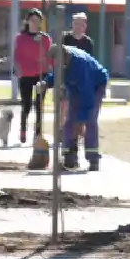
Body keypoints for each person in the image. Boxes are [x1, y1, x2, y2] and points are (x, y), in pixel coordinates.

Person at [38, 44, 109, 171]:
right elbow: (56, 75)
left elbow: (87, 96)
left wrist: (80, 121)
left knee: (89, 120)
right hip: (76, 86)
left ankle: (93, 159)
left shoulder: (81, 65)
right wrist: (45, 82)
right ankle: (69, 157)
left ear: (64, 57)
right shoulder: (61, 60)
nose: (55, 63)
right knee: (70, 121)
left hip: (95, 85)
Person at [14, 9, 53, 143]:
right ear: (27, 21)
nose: (35, 23)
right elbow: (17, 56)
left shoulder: (45, 38)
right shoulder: (20, 38)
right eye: (32, 20)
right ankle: (23, 130)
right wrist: (18, 69)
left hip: (40, 75)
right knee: (26, 105)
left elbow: (49, 57)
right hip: (25, 75)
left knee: (39, 105)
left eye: (37, 21)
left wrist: (48, 64)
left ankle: (37, 133)